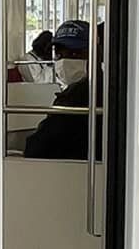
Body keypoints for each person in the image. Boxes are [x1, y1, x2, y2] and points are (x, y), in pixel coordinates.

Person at [22, 19, 97, 159]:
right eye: (59, 55)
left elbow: (37, 148)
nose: (65, 61)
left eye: (74, 54)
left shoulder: (74, 100)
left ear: (94, 54)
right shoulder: (100, 88)